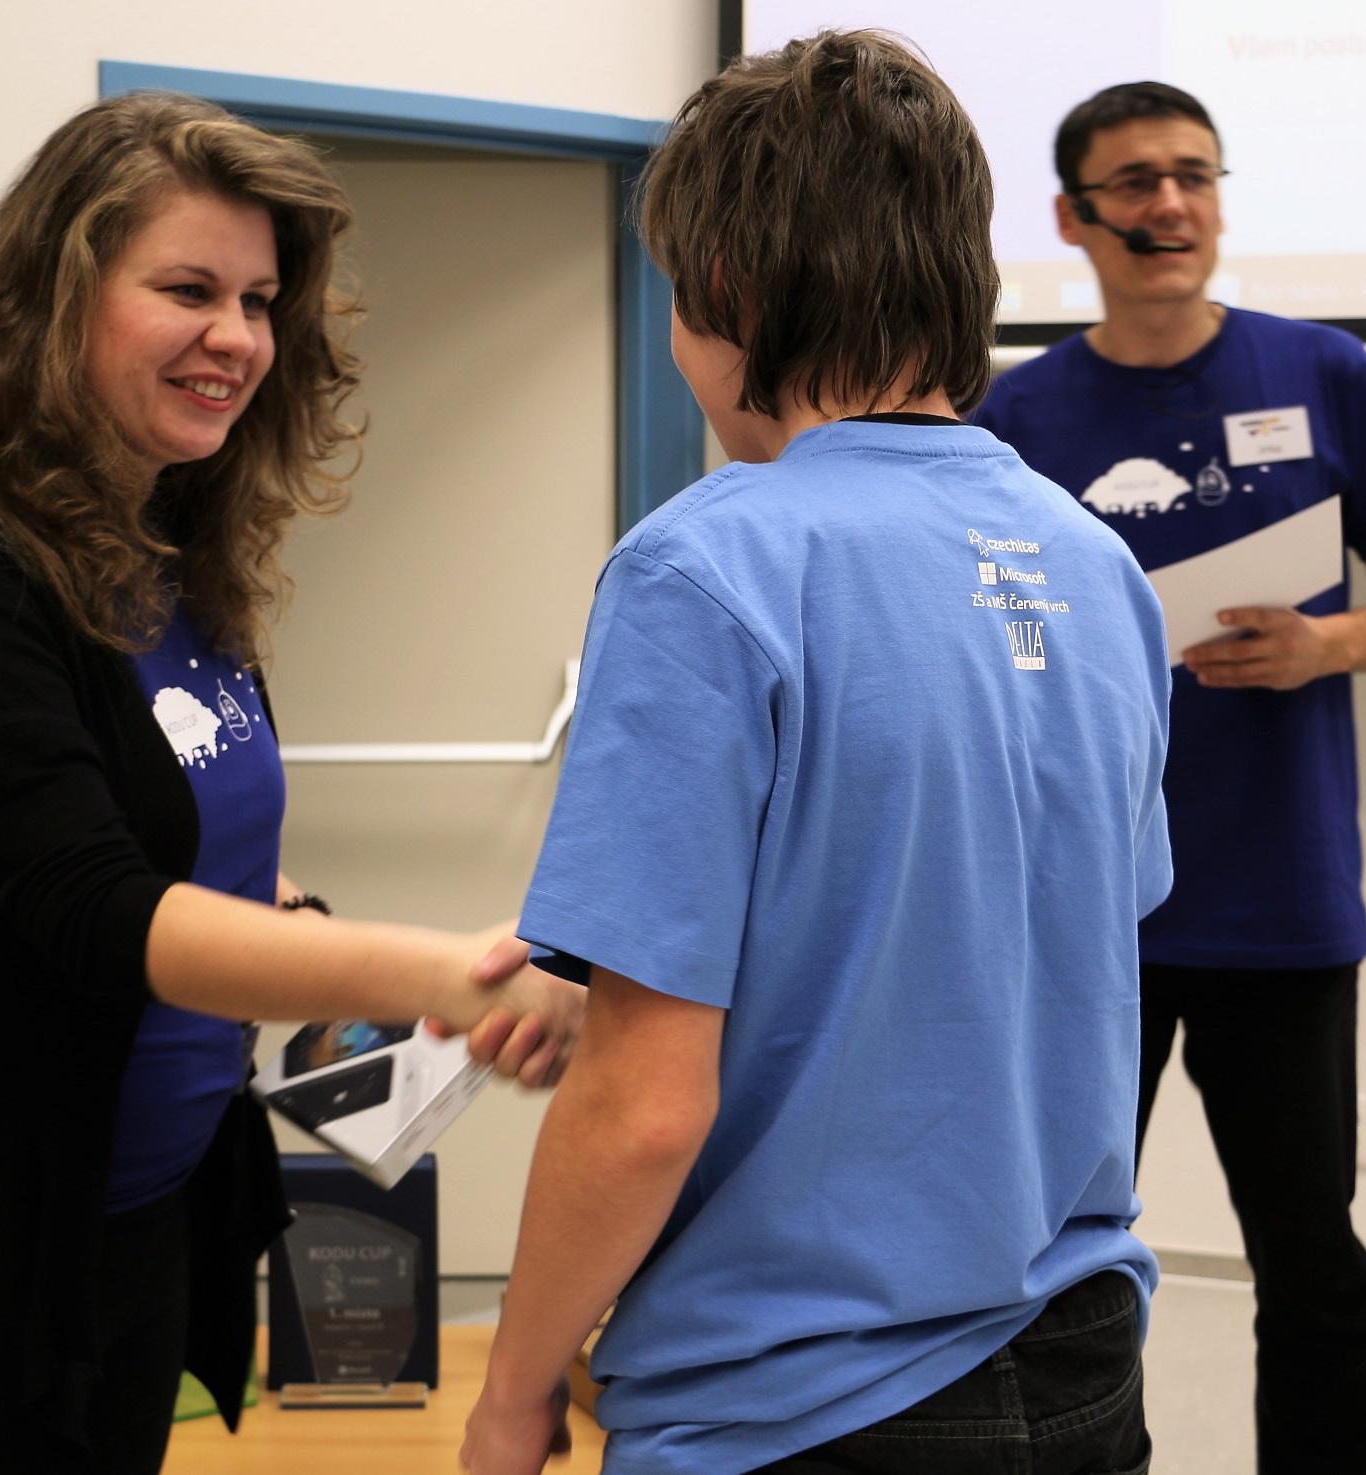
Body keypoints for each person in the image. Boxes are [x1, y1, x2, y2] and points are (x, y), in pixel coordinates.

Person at [0, 92, 580, 1475]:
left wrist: (314, 944)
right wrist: (453, 973)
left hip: (139, 1218)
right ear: (56, 298)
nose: (235, 336)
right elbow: (100, 908)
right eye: (187, 290)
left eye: (258, 301)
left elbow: (187, 842)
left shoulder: (161, 558)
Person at [459, 31, 1172, 1475]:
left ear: (722, 288)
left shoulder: (702, 569)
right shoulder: (1095, 567)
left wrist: (511, 1392)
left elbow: (646, 1112)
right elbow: (985, 956)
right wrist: (614, 983)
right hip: (1082, 1372)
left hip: (800, 1405)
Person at [973, 81, 1366, 1475]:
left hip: (1282, 909)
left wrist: (1325, 645)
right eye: (1132, 182)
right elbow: (977, 640)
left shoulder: (1324, 371)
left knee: (1310, 1259)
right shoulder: (1011, 413)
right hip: (1081, 920)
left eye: (1191, 174)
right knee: (1046, 1258)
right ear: (1073, 219)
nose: (1167, 204)